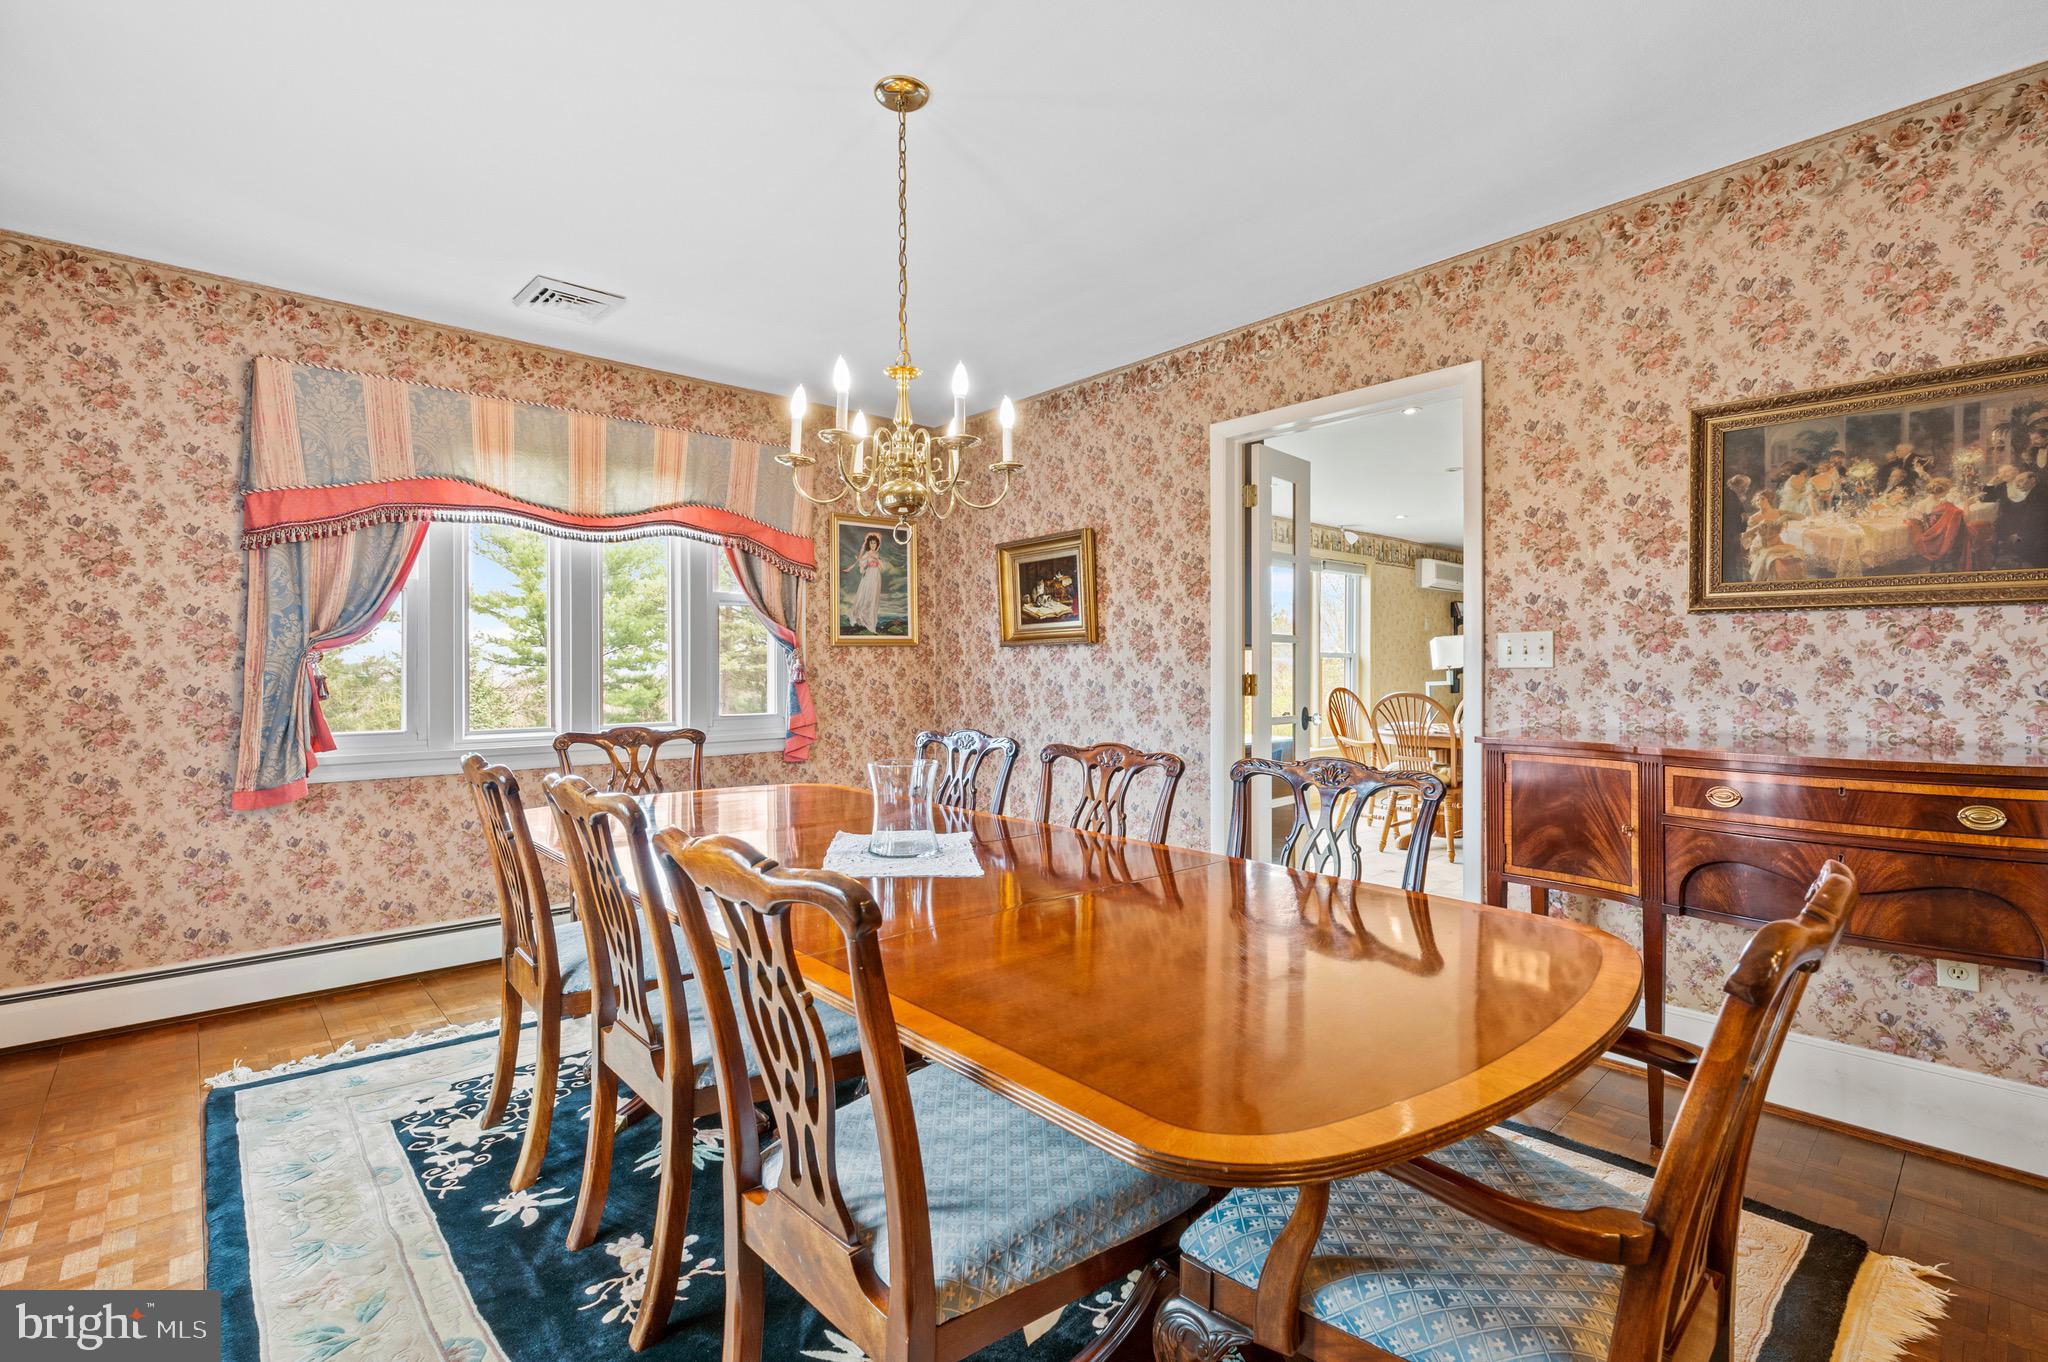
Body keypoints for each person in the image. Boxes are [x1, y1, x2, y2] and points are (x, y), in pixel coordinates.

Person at [1907, 477, 1971, 572]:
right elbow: (1966, 519)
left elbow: (1912, 518)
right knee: (1971, 529)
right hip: (1943, 539)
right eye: (1948, 490)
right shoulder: (1945, 505)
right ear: (1945, 491)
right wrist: (1967, 504)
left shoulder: (1921, 503)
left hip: (1928, 538)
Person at [1743, 491, 1806, 582]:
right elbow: (1745, 536)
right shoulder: (1754, 518)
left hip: (1778, 544)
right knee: (1777, 563)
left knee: (1794, 562)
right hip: (1762, 547)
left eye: (1762, 499)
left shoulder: (1778, 512)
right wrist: (1758, 526)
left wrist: (1787, 516)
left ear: (1769, 499)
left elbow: (1802, 517)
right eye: (1757, 500)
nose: (1759, 502)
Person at [850, 532, 885, 634]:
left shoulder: (877, 554)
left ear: (877, 544)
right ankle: (861, 617)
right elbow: (861, 563)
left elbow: (882, 568)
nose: (873, 545)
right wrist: (862, 570)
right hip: (869, 575)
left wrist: (877, 559)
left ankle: (871, 623)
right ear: (868, 544)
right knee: (866, 596)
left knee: (874, 597)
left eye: (874, 543)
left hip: (876, 576)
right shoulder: (867, 554)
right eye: (871, 543)